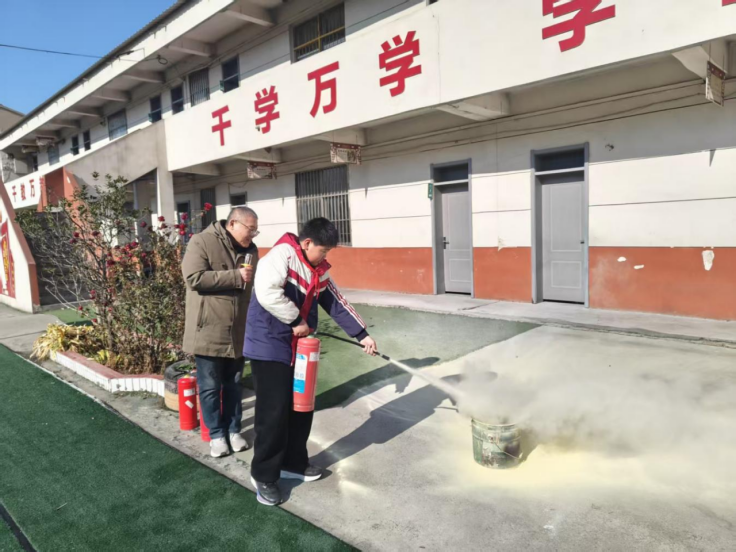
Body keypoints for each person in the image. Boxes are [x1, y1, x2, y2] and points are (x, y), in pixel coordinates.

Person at [244, 217, 377, 506]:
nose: (325, 256)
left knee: (301, 407)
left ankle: (293, 463)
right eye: (323, 250)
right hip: (269, 345)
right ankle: (264, 475)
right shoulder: (280, 257)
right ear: (307, 243)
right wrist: (296, 320)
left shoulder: (318, 269)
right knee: (273, 412)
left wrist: (361, 334)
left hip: (299, 348)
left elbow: (335, 302)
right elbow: (267, 293)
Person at [182, 206, 259, 458]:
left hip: (238, 330)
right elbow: (193, 278)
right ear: (233, 223)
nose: (253, 235)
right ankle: (216, 435)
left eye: (255, 231)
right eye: (250, 229)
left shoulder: (251, 250)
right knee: (210, 386)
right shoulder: (201, 241)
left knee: (234, 384)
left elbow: (250, 289)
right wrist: (235, 276)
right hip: (208, 329)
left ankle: (234, 430)